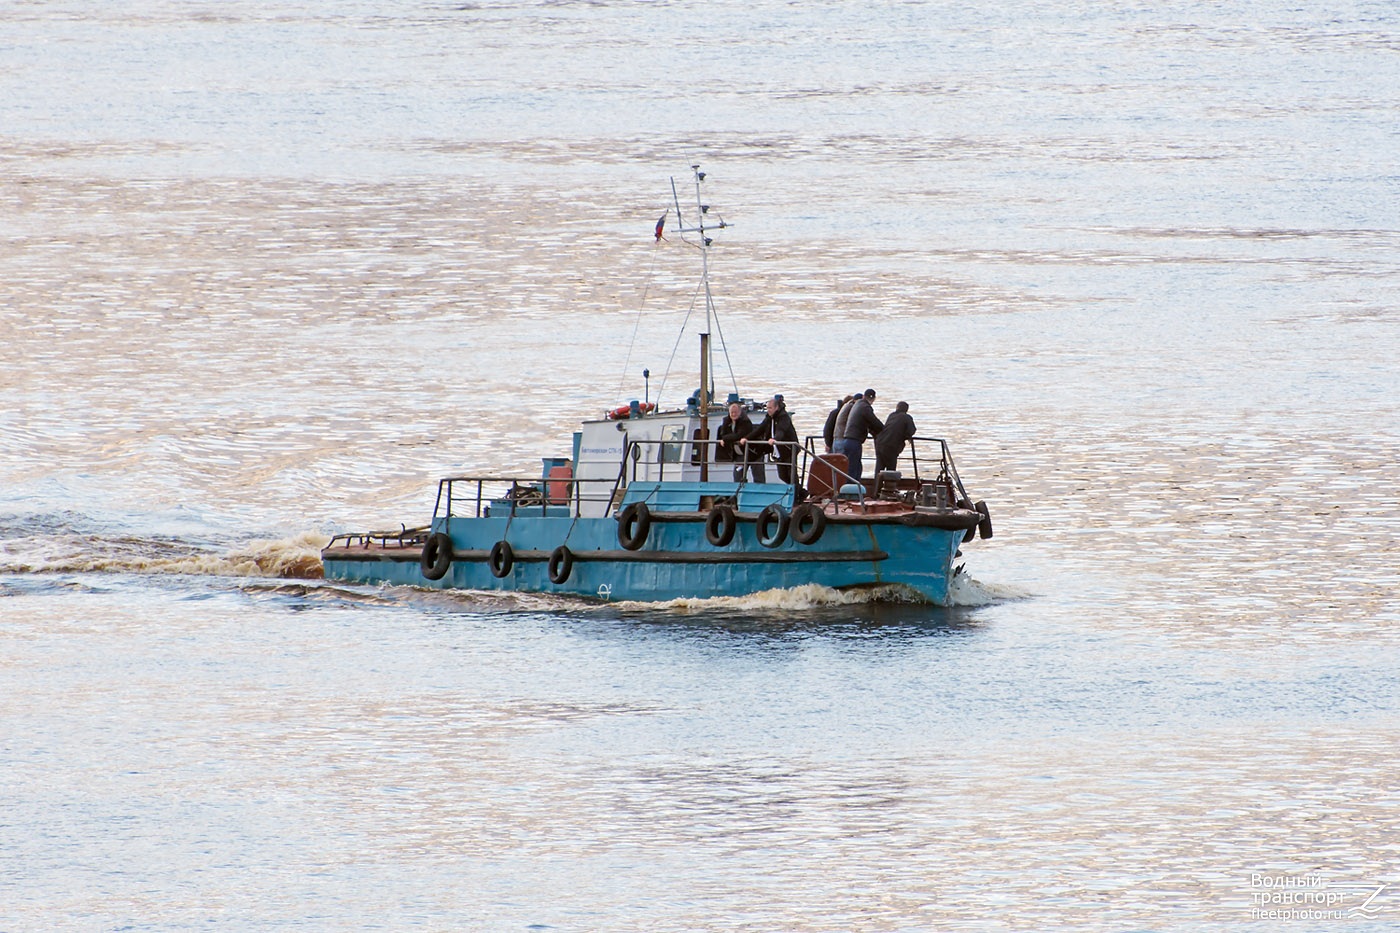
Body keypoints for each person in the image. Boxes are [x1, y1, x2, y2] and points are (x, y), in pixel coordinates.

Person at [835, 388, 884, 482]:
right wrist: (883, 429)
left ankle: (849, 489)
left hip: (847, 439)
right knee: (853, 469)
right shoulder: (865, 407)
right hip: (854, 441)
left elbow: (867, 423)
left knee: (852, 467)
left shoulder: (857, 404)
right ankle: (851, 492)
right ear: (873, 398)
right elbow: (874, 421)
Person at [753, 395, 799, 485]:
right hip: (779, 451)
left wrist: (774, 439)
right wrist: (746, 438)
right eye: (767, 408)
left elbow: (781, 431)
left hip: (789, 449)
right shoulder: (769, 418)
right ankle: (801, 492)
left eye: (770, 408)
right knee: (782, 476)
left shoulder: (783, 417)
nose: (768, 410)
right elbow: (760, 429)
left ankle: (797, 494)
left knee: (791, 475)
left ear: (776, 407)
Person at [717, 401, 765, 483]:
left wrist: (725, 439)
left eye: (735, 412)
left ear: (740, 412)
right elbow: (723, 434)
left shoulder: (745, 421)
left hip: (754, 452)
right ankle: (740, 491)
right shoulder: (726, 421)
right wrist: (724, 438)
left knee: (758, 475)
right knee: (738, 475)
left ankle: (760, 492)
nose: (733, 414)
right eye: (731, 412)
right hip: (740, 453)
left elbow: (739, 435)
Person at [874, 401, 916, 475]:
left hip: (880, 443)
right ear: (906, 410)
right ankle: (889, 485)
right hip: (892, 445)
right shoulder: (907, 417)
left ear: (897, 408)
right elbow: (912, 430)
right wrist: (906, 437)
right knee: (891, 470)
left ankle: (877, 485)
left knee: (879, 469)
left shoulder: (891, 415)